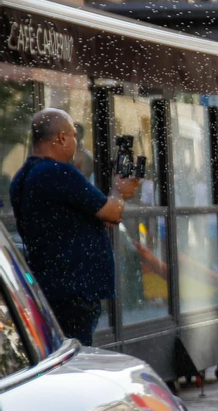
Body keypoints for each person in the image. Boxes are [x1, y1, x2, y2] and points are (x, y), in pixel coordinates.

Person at [8, 108, 141, 345]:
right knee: (75, 357)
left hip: (50, 286)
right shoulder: (59, 172)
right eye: (73, 135)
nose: (75, 142)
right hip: (73, 292)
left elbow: (100, 215)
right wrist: (119, 192)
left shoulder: (23, 176)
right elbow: (112, 211)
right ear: (61, 138)